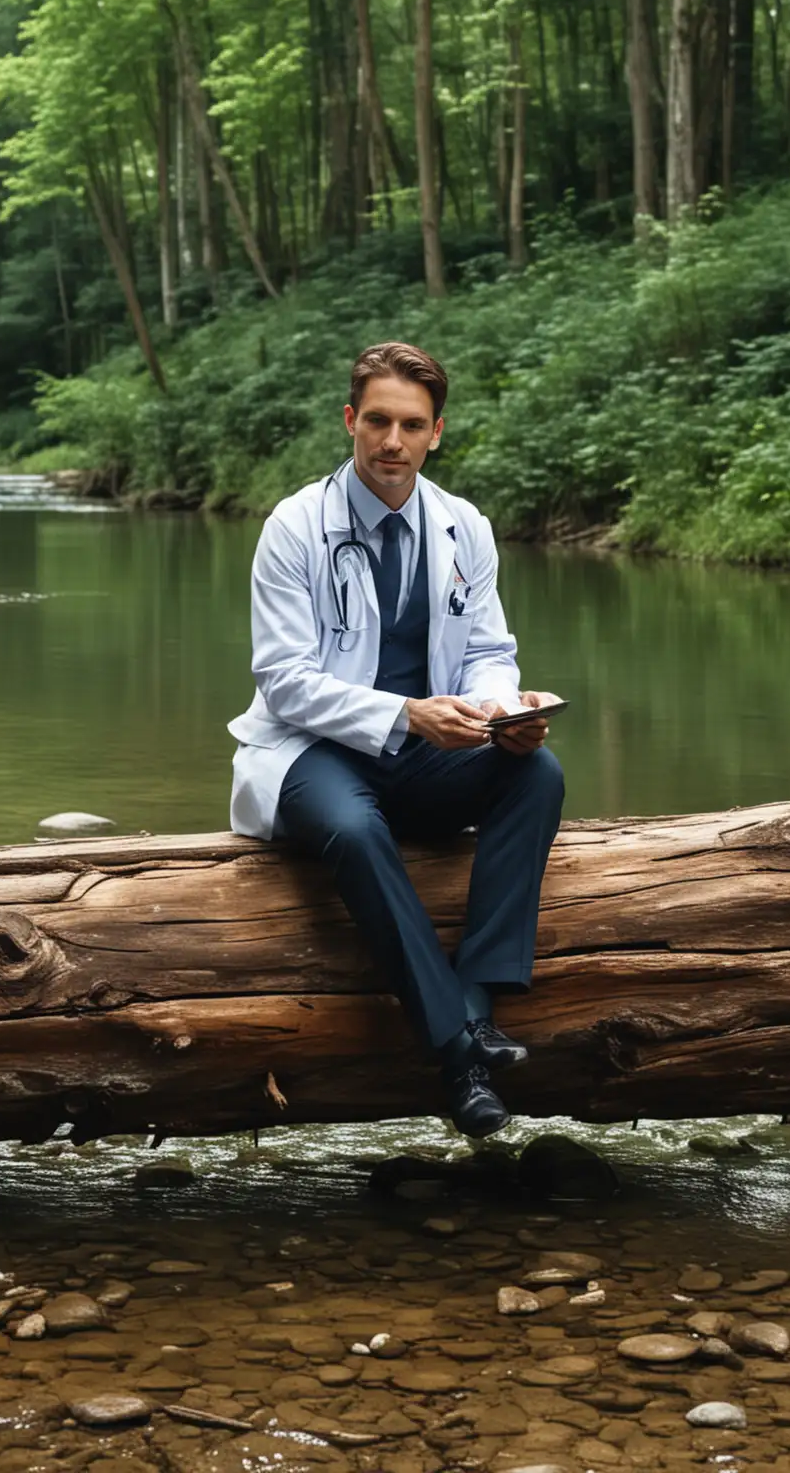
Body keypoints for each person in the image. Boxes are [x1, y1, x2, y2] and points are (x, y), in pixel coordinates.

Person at [227, 341, 566, 1136]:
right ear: (350, 420)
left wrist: (495, 715)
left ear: (435, 433)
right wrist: (407, 715)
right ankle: (457, 1054)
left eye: (411, 425)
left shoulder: (464, 527)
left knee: (537, 773)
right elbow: (284, 678)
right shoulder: (294, 527)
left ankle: (478, 1003)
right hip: (313, 750)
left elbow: (487, 652)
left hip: (430, 750)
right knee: (352, 827)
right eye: (376, 420)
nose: (391, 441)